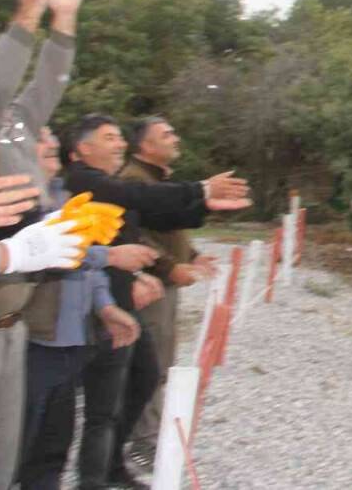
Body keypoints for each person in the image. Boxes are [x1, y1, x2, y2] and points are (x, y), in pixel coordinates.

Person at [64, 114, 250, 490]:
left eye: (120, 137)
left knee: (144, 375)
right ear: (83, 149)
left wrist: (204, 203)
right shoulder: (84, 180)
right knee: (101, 402)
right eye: (110, 137)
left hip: (121, 298)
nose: (120, 144)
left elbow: (154, 215)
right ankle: (94, 476)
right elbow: (142, 203)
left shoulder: (111, 184)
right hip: (98, 305)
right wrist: (200, 189)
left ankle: (112, 463)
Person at [0, 0, 93, 489]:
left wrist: (63, 19)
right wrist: (25, 15)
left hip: (11, 326)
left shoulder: (17, 126)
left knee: (0, 470)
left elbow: (49, 81)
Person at [19, 128, 157, 490]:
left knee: (54, 445)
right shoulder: (18, 205)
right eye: (46, 151)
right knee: (19, 443)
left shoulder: (66, 198)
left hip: (71, 340)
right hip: (35, 341)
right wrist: (109, 255)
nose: (54, 152)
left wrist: (107, 307)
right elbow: (46, 254)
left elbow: (90, 268)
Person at [121, 116, 217, 470]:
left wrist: (190, 256)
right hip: (149, 288)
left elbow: (166, 228)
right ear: (145, 146)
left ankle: (149, 437)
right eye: (167, 134)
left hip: (166, 284)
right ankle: (143, 444)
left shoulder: (158, 179)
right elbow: (134, 236)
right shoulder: (133, 181)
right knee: (150, 365)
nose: (176, 138)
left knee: (161, 362)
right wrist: (168, 267)